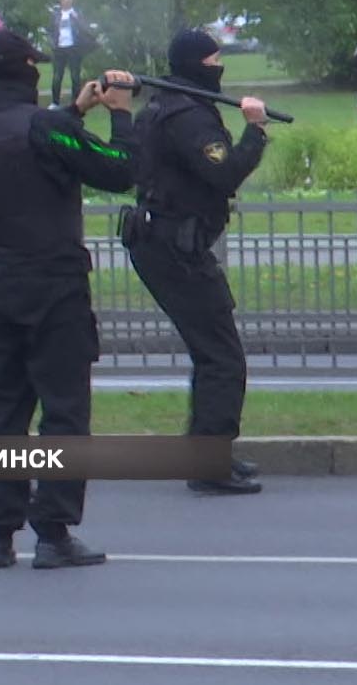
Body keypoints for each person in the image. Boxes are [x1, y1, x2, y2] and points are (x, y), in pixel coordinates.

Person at [0, 32, 136, 570]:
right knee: (63, 412)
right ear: (30, 69)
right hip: (53, 285)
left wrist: (73, 111)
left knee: (2, 412)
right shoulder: (44, 127)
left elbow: (42, 149)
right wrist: (120, 115)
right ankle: (53, 531)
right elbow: (118, 169)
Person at [125, 30, 268, 494]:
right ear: (195, 64)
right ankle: (209, 465)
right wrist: (255, 130)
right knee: (221, 355)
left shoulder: (163, 105)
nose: (220, 64)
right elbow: (224, 172)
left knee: (213, 350)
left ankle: (210, 455)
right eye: (214, 58)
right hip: (174, 246)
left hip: (163, 240)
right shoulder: (187, 116)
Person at [51, 0, 90, 108]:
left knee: (75, 76)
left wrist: (77, 18)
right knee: (57, 76)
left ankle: (76, 103)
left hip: (74, 48)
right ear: (60, 1)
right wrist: (52, 43)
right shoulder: (56, 15)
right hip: (59, 49)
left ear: (72, 1)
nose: (66, 1)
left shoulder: (76, 14)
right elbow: (50, 30)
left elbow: (84, 29)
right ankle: (55, 102)